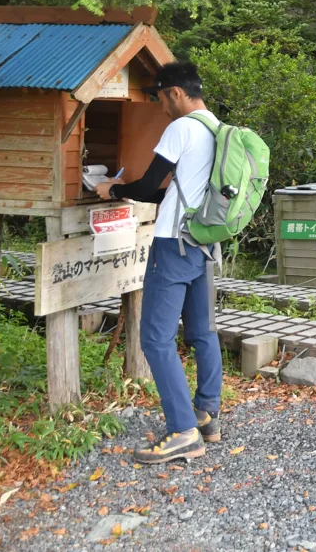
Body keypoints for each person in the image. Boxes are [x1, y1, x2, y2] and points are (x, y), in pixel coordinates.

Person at [94, 61, 223, 464]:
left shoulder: (181, 127)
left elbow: (150, 185)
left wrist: (112, 189)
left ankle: (183, 431)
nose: (159, 106)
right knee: (202, 331)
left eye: (160, 97)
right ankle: (206, 414)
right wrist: (126, 191)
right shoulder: (217, 127)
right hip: (203, 241)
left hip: (172, 244)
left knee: (154, 338)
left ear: (176, 93)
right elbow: (169, 192)